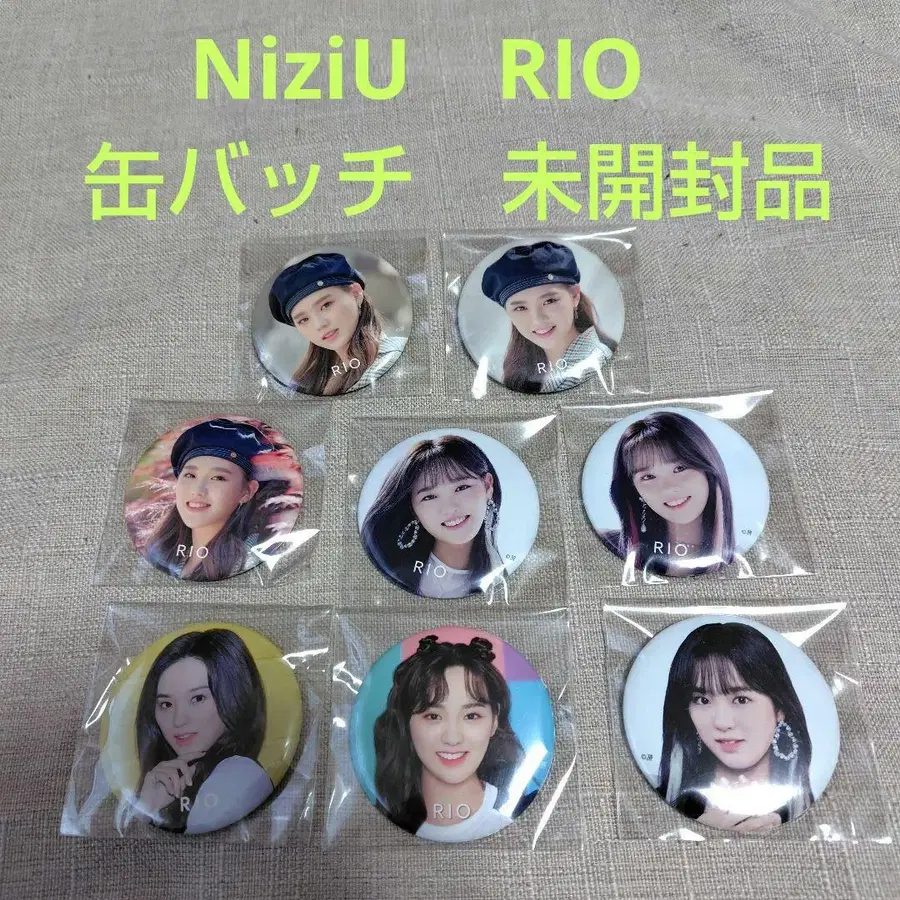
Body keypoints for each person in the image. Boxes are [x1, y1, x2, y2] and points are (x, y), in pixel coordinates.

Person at [657, 622, 814, 832]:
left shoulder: (814, 813)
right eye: (702, 700)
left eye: (741, 699)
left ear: (780, 708)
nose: (722, 722)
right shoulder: (659, 807)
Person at [373, 634, 532, 841]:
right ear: (406, 722)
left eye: (471, 716)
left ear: (494, 721)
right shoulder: (387, 820)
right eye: (433, 716)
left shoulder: (513, 814)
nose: (452, 738)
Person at [133, 629, 272, 834]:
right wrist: (146, 805)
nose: (178, 720)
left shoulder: (238, 773)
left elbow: (197, 850)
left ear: (234, 699)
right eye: (166, 704)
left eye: (198, 698)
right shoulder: (172, 781)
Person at [360, 435, 504, 598]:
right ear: (412, 508)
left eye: (461, 487)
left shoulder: (498, 575)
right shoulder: (394, 576)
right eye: (429, 497)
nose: (449, 508)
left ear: (487, 485)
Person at [143, 418, 285, 581]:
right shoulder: (160, 552)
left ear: (247, 491)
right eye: (190, 475)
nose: (198, 490)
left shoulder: (251, 554)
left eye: (218, 478)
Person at [602, 411, 735, 577]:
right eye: (648, 477)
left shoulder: (738, 559)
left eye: (680, 468)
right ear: (634, 489)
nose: (668, 488)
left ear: (709, 471)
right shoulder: (607, 544)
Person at [481, 240, 618, 394]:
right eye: (520, 308)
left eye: (550, 301)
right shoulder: (527, 370)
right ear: (508, 313)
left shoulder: (595, 365)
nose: (537, 319)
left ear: (575, 296)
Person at [268, 251, 405, 396]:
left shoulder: (393, 358)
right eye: (304, 320)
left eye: (326, 305)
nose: (319, 325)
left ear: (356, 294)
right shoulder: (305, 384)